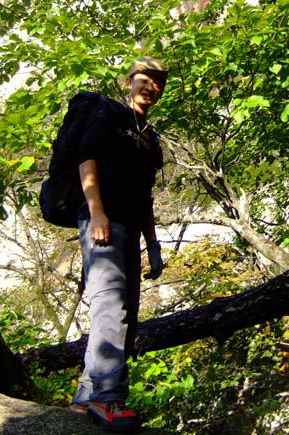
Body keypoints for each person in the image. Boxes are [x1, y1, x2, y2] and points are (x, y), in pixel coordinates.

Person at [71, 57, 168, 432]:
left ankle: (86, 397)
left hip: (129, 229)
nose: (151, 86)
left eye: (158, 82)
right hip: (103, 222)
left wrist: (153, 245)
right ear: (129, 82)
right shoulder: (109, 114)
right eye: (145, 79)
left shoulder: (149, 138)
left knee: (125, 311)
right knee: (110, 303)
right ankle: (108, 397)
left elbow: (145, 196)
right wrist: (97, 212)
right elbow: (86, 158)